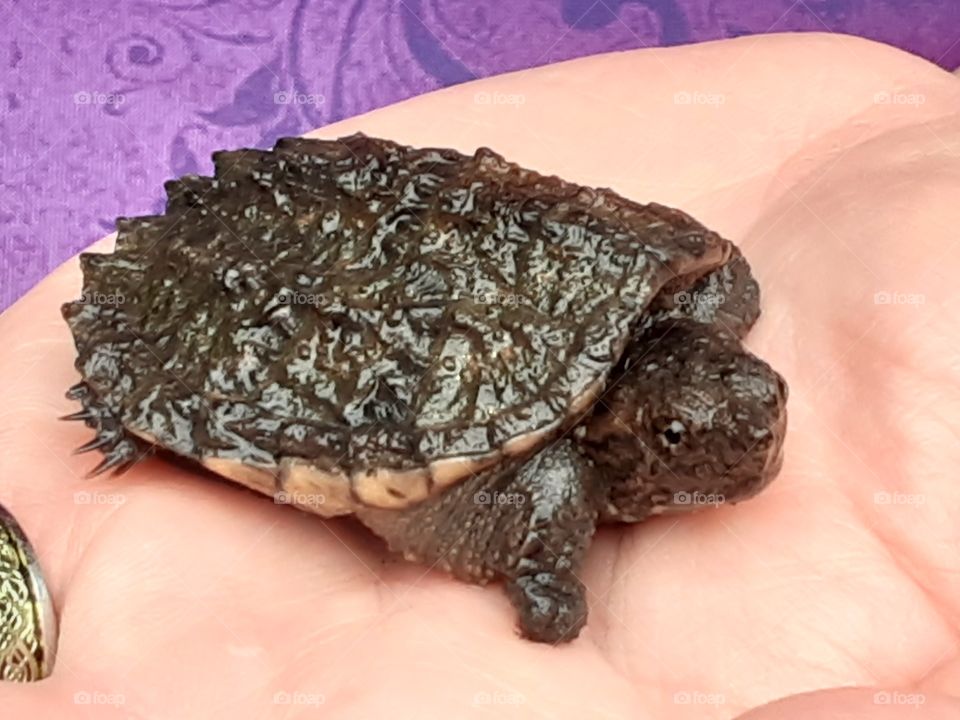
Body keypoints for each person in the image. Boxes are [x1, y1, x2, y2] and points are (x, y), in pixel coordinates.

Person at [1, 33, 958, 718]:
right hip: (211, 280)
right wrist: (548, 567)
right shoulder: (551, 465)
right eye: (676, 437)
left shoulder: (695, 302)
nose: (753, 430)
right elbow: (551, 481)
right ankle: (132, 390)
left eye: (757, 402)